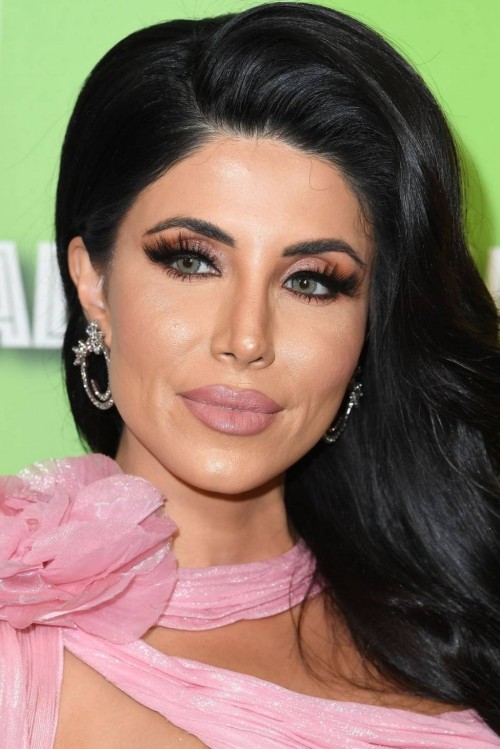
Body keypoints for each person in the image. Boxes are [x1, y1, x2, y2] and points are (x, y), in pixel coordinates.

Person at [1, 2, 499, 747]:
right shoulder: (17, 651)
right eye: (191, 260)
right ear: (93, 281)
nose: (246, 339)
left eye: (312, 281)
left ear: (369, 322)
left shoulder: (463, 617)